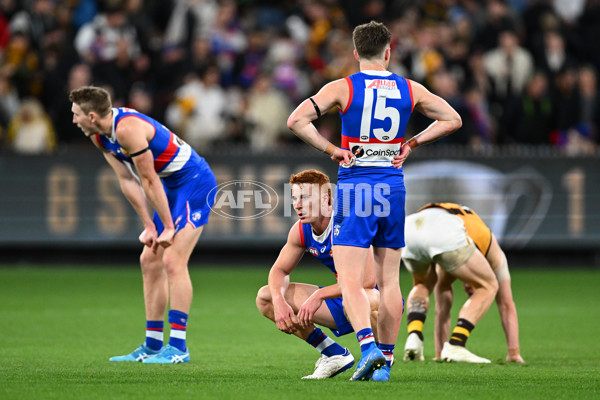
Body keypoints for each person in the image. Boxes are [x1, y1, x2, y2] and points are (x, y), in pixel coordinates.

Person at [287, 21, 461, 381]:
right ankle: (385, 362)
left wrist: (332, 149)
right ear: (388, 52)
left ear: (355, 53)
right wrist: (411, 143)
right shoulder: (409, 88)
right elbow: (452, 119)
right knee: (389, 280)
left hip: (356, 187)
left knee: (350, 279)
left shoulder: (343, 87)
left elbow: (296, 120)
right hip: (393, 187)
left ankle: (367, 349)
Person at [69, 86, 217, 364]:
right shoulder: (100, 137)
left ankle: (178, 348)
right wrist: (150, 224)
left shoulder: (127, 130)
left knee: (173, 260)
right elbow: (127, 181)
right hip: (171, 187)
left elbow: (148, 179)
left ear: (91, 115)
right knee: (149, 259)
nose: (74, 121)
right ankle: (152, 345)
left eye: (76, 115)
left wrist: (169, 228)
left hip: (195, 182)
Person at [256, 169, 380, 380]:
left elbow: (367, 281)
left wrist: (319, 295)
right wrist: (279, 301)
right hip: (342, 298)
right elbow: (280, 270)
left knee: (362, 298)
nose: (297, 204)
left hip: (375, 300)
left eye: (305, 197)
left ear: (325, 199)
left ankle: (381, 352)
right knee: (266, 297)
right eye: (294, 198)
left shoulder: (347, 222)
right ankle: (334, 354)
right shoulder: (301, 230)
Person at [401, 202, 523, 363]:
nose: (468, 293)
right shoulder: (494, 253)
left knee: (422, 284)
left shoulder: (457, 251)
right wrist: (513, 353)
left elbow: (442, 304)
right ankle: (456, 344)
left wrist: (438, 354)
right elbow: (506, 304)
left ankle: (414, 334)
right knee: (489, 285)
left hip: (410, 227)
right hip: (443, 229)